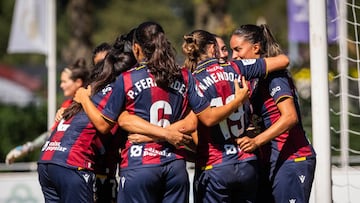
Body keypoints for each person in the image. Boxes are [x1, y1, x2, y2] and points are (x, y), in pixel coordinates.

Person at [74, 21, 251, 203]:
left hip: (139, 165)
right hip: (175, 167)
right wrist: (167, 134)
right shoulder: (183, 76)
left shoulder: (126, 79)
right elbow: (193, 122)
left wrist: (83, 97)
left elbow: (106, 125)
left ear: (136, 48)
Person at [181, 29, 290, 203]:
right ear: (212, 49)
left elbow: (199, 122)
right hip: (246, 161)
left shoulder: (192, 80)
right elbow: (283, 60)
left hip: (216, 166)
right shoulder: (237, 67)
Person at [37, 32, 137, 203]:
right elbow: (106, 125)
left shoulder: (85, 94)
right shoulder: (112, 90)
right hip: (74, 163)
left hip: (48, 160)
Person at [231, 24, 316, 203]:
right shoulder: (254, 80)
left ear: (256, 48)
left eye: (238, 49)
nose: (234, 56)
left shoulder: (274, 76)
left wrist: (256, 141)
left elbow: (290, 117)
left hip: (293, 158)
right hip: (271, 159)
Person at [5, 58, 90, 165]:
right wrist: (27, 147)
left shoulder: (91, 103)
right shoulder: (66, 105)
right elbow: (52, 133)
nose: (61, 85)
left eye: (64, 81)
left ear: (78, 82)